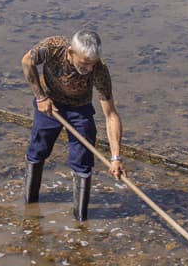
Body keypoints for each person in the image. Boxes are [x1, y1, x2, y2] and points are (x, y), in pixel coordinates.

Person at [21, 29, 124, 221]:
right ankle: (30, 206)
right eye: (84, 64)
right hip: (50, 104)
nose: (89, 69)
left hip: (80, 109)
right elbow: (27, 61)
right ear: (70, 52)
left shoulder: (99, 70)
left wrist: (116, 156)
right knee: (38, 149)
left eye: (92, 65)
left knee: (83, 159)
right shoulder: (53, 47)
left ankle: (80, 220)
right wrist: (41, 97)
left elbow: (110, 115)